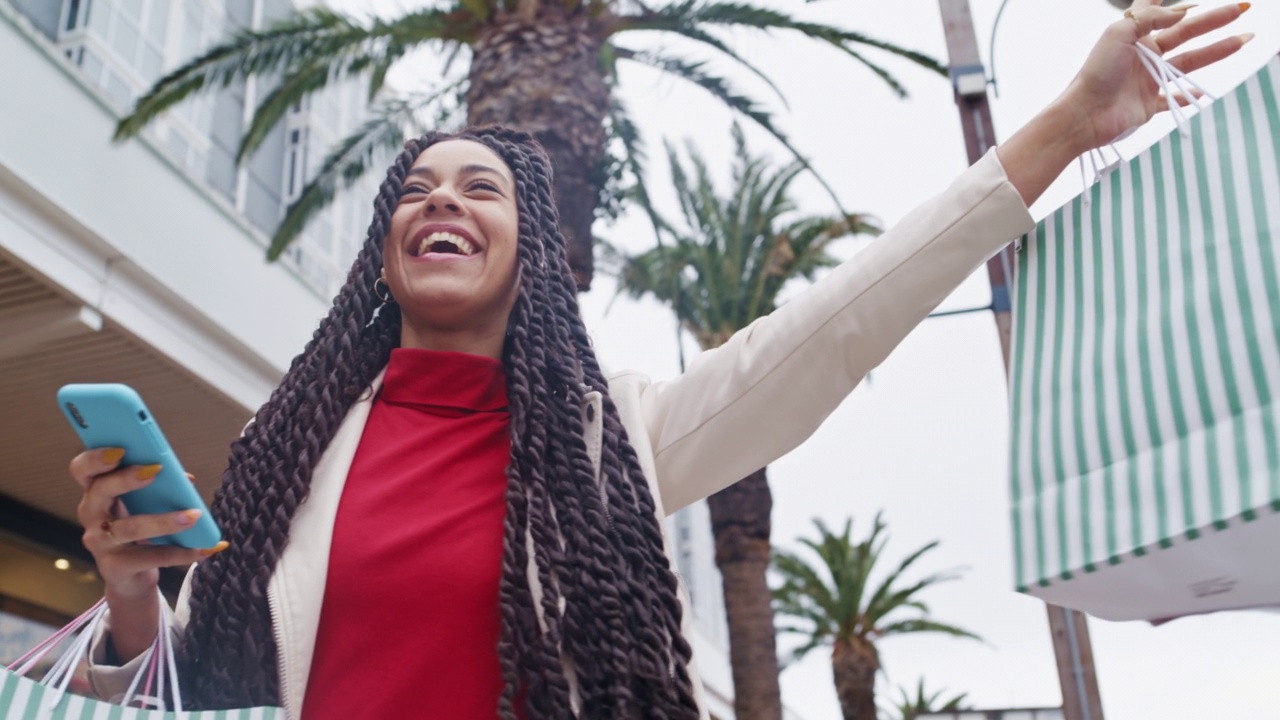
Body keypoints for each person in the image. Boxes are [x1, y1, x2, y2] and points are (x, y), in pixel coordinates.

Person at [68, 2, 1252, 718]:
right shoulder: (291, 454)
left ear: (531, 246)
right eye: (415, 189)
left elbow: (834, 326)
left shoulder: (610, 439)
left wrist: (1058, 130)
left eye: (479, 187)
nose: (441, 200)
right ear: (384, 249)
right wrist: (129, 592)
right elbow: (200, 687)